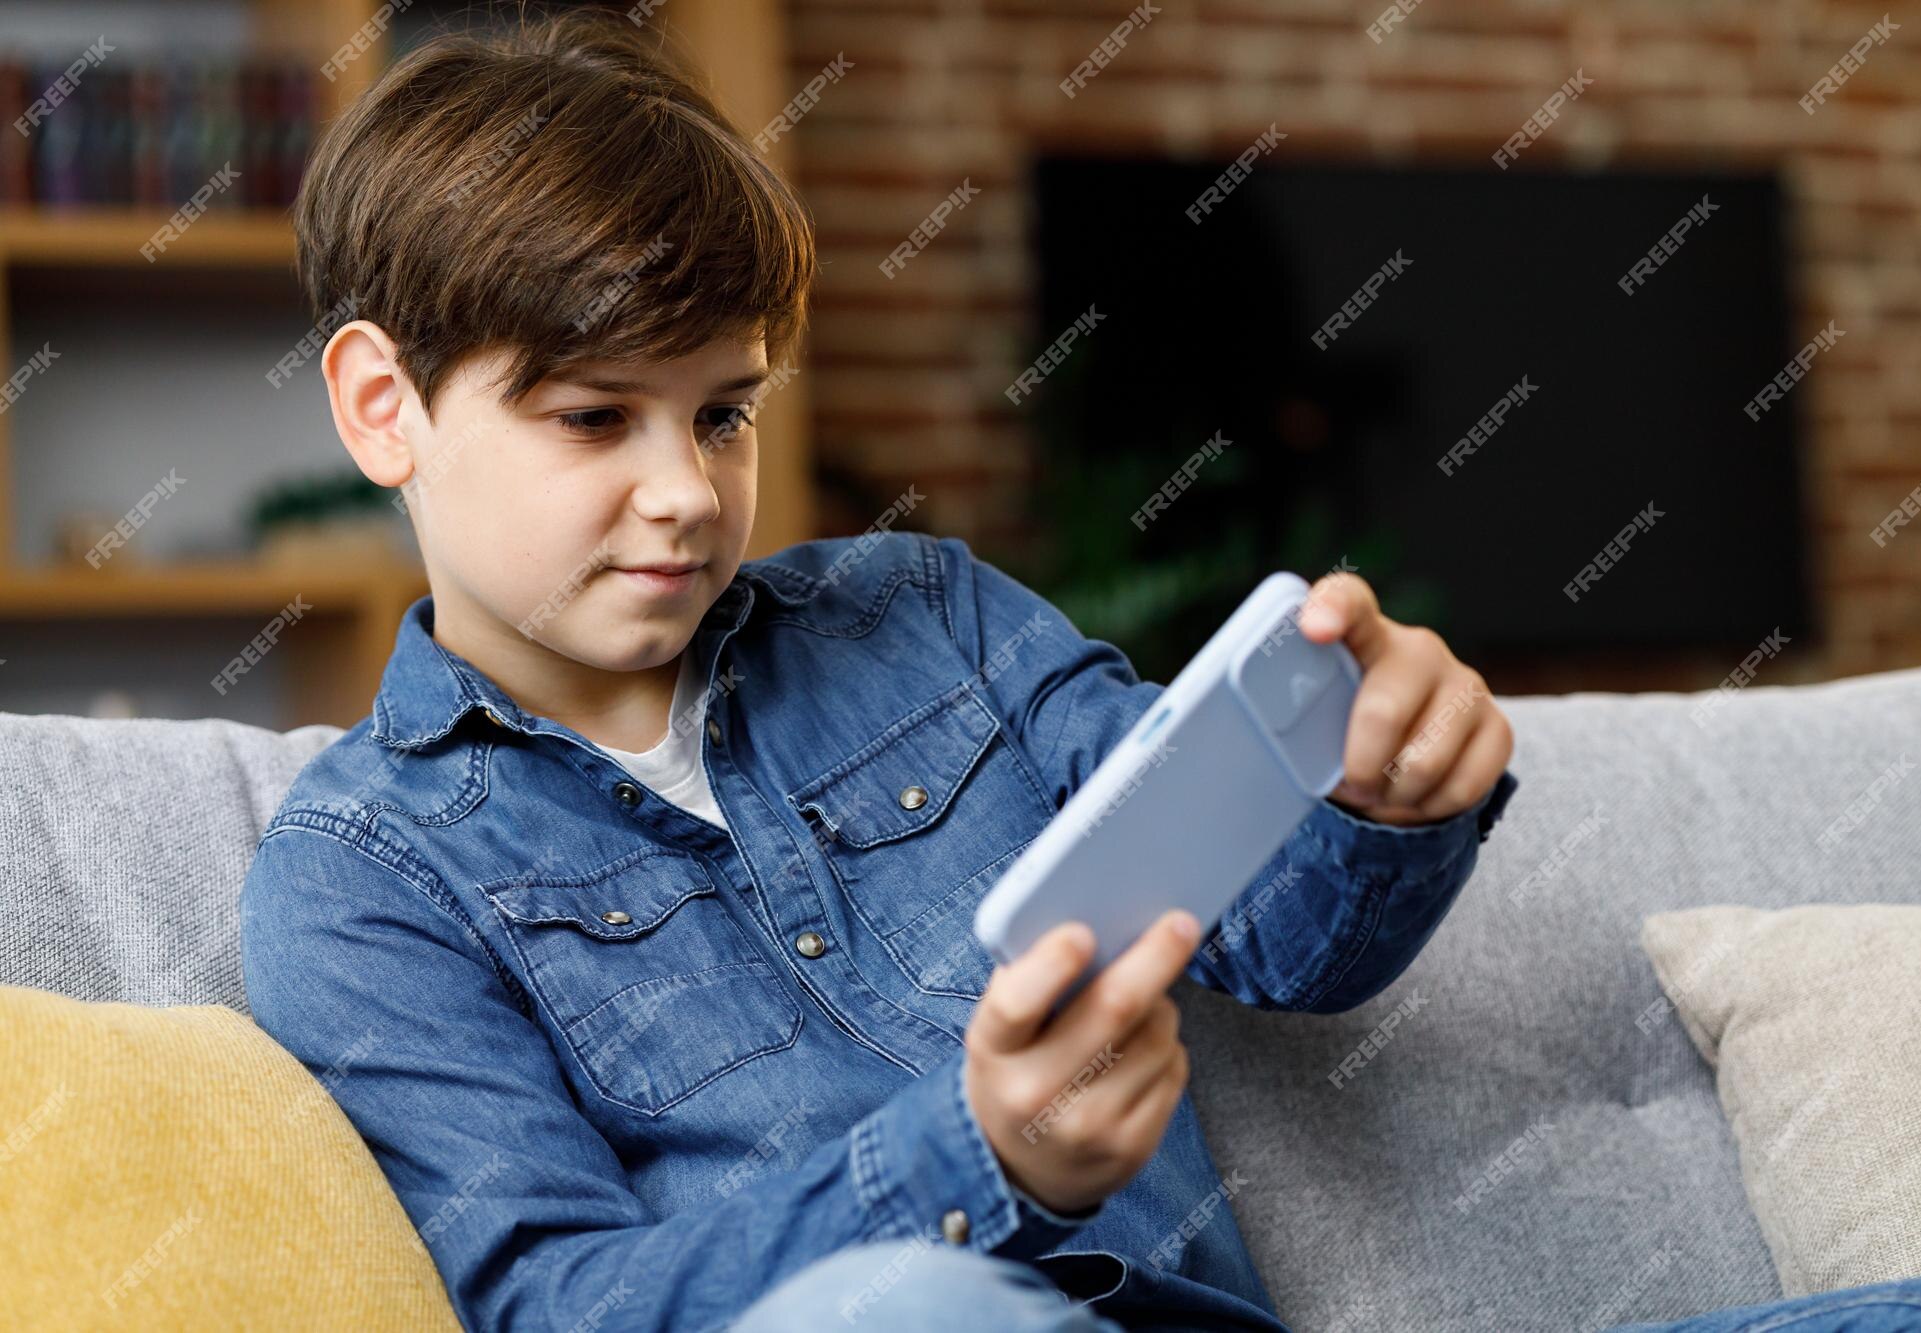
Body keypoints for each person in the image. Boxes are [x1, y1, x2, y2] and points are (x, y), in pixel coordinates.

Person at [239, 11, 1520, 1331]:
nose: (686, 491)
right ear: (384, 407)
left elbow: (1274, 938)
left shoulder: (926, 616)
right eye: (596, 416)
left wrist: (1381, 792)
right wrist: (977, 1160)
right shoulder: (361, 881)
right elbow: (562, 1308)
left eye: (723, 413)